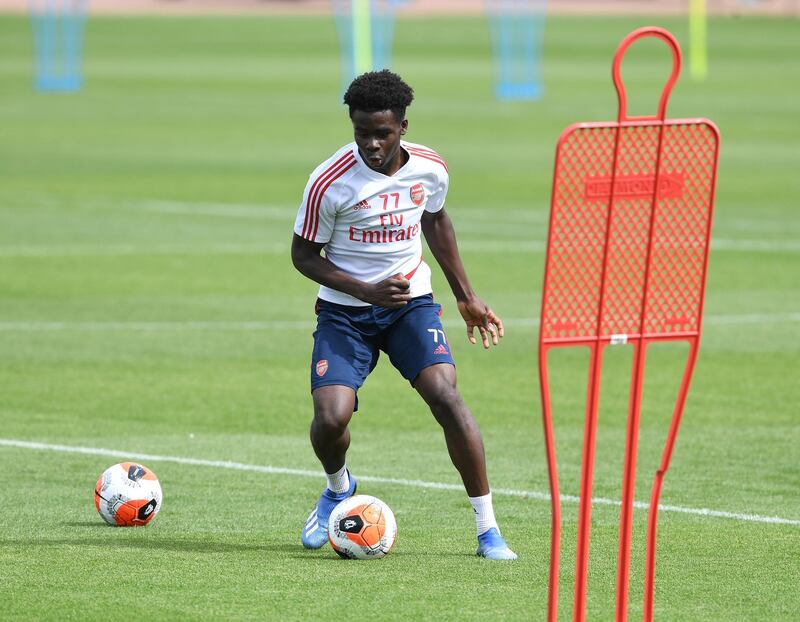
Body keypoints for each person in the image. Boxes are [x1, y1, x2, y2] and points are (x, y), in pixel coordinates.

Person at [291, 70, 516, 560]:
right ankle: (337, 487)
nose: (372, 144)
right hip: (346, 313)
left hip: (410, 305)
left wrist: (466, 296)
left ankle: (488, 529)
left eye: (382, 133)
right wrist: (366, 291)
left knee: (446, 395)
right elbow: (303, 256)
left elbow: (435, 220)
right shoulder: (329, 182)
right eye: (362, 133)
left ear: (403, 126)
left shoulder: (431, 168)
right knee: (331, 420)